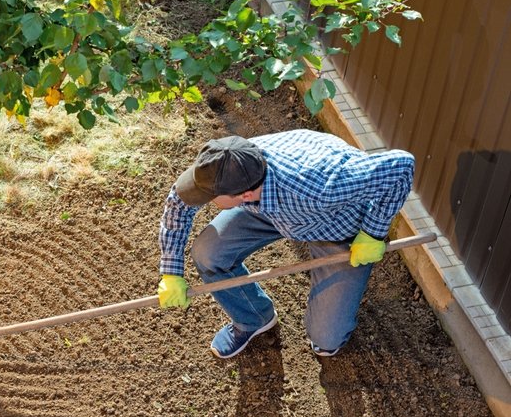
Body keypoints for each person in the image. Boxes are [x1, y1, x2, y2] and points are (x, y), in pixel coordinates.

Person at [157, 128, 415, 359]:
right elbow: (178, 201)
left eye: (211, 196)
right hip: (269, 212)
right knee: (208, 253)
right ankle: (254, 319)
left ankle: (328, 331)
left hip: (335, 227)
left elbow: (400, 166)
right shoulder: (228, 163)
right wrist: (170, 271)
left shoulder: (321, 187)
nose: (202, 199)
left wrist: (372, 233)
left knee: (327, 339)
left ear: (244, 194)